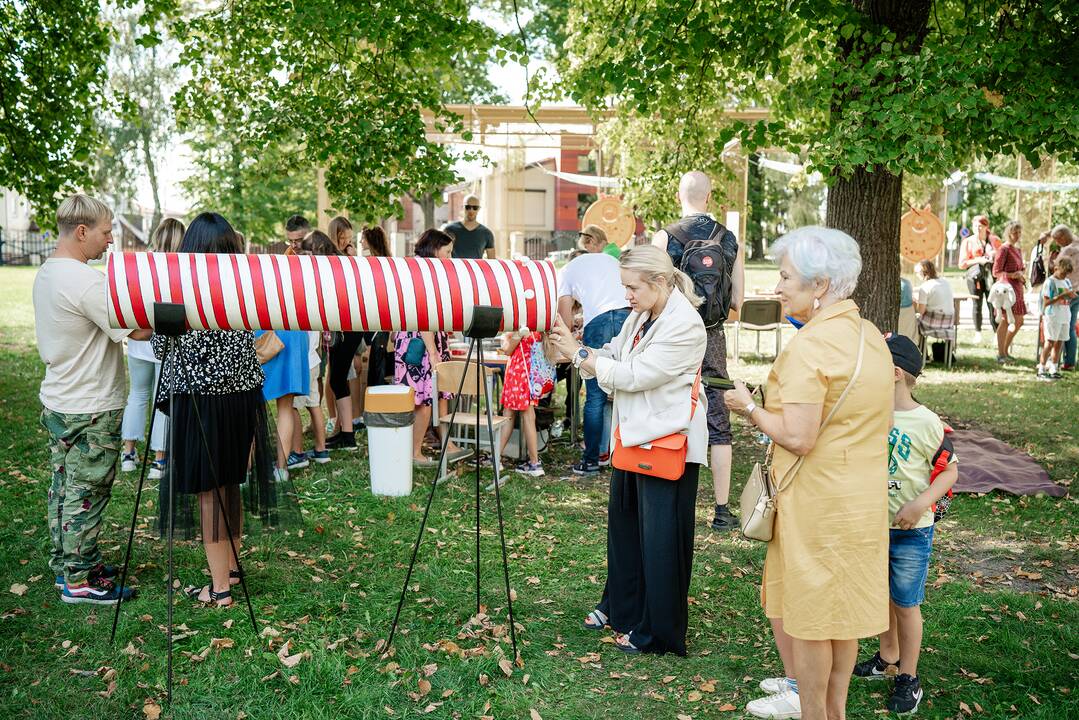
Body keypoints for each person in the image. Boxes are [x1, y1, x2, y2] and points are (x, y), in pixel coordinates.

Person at [724, 227, 892, 720]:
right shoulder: (867, 335)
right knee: (840, 617)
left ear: (819, 286)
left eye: (785, 277)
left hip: (816, 502)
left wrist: (748, 407)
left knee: (815, 617)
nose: (777, 287)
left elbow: (798, 436)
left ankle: (817, 713)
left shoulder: (810, 347)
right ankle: (833, 713)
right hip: (859, 497)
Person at [552, 244, 707, 655]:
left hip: (667, 441)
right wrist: (582, 351)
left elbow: (636, 375)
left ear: (660, 282)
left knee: (661, 540)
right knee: (625, 530)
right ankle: (622, 609)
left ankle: (657, 631)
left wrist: (580, 356)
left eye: (633, 287)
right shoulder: (641, 315)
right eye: (624, 287)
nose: (627, 297)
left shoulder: (685, 325)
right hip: (635, 436)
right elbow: (615, 358)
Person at [152, 212, 282, 607]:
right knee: (230, 483)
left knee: (210, 491)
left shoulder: (180, 291)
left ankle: (219, 588)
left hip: (200, 400)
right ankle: (233, 567)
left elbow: (161, 348)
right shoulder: (242, 289)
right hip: (242, 397)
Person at [34, 194, 150, 604]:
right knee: (87, 491)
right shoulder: (85, 281)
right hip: (92, 403)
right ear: (82, 232)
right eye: (106, 232)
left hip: (60, 397)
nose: (111, 240)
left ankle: (66, 563)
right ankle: (80, 581)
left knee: (63, 486)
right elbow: (136, 329)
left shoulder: (48, 272)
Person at [852, 334, 958, 716]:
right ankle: (887, 657)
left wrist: (920, 502)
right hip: (872, 526)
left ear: (895, 373)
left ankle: (908, 677)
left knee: (906, 603)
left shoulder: (928, 422)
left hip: (912, 532)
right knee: (881, 598)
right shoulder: (870, 413)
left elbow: (949, 472)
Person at [652, 170, 744, 531]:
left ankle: (669, 500)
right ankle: (722, 510)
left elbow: (653, 294)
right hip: (713, 338)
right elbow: (737, 299)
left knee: (669, 407)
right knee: (718, 419)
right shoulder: (729, 238)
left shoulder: (666, 237)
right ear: (709, 197)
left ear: (680, 195)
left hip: (673, 336)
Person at [558, 224, 631, 474]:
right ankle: (618, 453)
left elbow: (565, 321)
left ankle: (590, 460)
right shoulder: (610, 260)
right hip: (627, 316)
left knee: (595, 396)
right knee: (624, 387)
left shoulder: (565, 272)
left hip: (598, 324)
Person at [393, 229, 466, 464]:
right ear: (435, 250)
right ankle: (414, 452)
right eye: (448, 252)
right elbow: (424, 315)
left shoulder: (416, 269)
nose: (450, 258)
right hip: (422, 344)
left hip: (422, 340)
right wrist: (433, 351)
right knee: (423, 400)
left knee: (438, 394)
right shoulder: (425, 273)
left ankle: (444, 443)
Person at [120, 217, 185, 480]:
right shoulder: (182, 267)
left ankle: (128, 454)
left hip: (139, 339)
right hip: (166, 341)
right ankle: (159, 460)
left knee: (137, 395)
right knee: (163, 401)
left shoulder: (142, 265)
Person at [496, 330, 548, 477]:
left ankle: (533, 463)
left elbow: (507, 350)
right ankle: (533, 462)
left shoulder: (519, 327)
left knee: (511, 415)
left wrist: (514, 335)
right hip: (532, 374)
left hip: (518, 372)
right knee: (526, 416)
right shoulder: (538, 327)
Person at [992, 220, 1027, 363]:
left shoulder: (1017, 249)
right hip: (1006, 290)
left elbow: (1020, 268)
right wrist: (1013, 275)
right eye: (1014, 232)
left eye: (1019, 232)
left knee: (1019, 321)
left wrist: (1021, 276)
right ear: (1009, 233)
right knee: (1006, 320)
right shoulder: (1004, 249)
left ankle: (1005, 350)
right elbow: (996, 272)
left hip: (1017, 289)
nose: (1017, 235)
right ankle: (1001, 354)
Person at [958, 215, 996, 340]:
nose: (978, 228)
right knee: (977, 304)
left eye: (980, 226)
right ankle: (977, 332)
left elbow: (1001, 255)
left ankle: (996, 333)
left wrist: (993, 256)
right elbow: (962, 264)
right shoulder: (968, 242)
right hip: (975, 277)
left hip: (990, 276)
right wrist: (978, 260)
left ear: (986, 226)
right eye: (975, 226)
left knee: (992, 304)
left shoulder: (994, 240)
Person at [1037, 257, 1076, 379]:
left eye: (1067, 274)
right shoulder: (1050, 282)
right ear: (1056, 268)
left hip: (1064, 315)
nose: (1065, 276)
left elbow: (1068, 297)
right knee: (1049, 342)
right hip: (1052, 316)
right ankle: (1042, 368)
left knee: (1059, 342)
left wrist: (1071, 296)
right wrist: (1062, 295)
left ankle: (1054, 367)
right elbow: (1046, 302)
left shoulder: (1067, 282)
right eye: (1063, 273)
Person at [1049, 224, 1079, 370]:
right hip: (1078, 291)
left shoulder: (1068, 250)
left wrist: (1050, 262)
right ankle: (1070, 361)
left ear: (1063, 236)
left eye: (1057, 239)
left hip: (1067, 291)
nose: (1056, 243)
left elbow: (1056, 269)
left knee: (1064, 325)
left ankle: (1065, 361)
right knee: (1071, 325)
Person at [913, 259, 955, 363]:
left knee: (913, 323)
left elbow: (921, 311)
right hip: (949, 323)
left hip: (932, 324)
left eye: (917, 273)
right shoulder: (945, 282)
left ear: (923, 273)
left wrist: (915, 302)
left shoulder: (925, 287)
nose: (917, 275)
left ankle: (922, 354)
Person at [444, 194, 495, 259]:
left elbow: (492, 261)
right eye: (468, 207)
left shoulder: (487, 233)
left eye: (475, 208)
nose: (471, 210)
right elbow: (442, 254)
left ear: (479, 209)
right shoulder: (450, 229)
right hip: (454, 268)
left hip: (476, 269)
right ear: (463, 207)